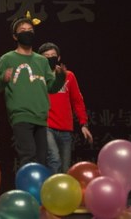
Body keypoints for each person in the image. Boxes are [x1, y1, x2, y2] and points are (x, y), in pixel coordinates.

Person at [0, 13, 65, 166]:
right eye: (23, 30)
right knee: (28, 156)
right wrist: (3, 78)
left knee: (42, 159)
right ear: (15, 36)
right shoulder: (7, 59)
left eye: (30, 30)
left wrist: (60, 77)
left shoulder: (42, 61)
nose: (27, 33)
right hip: (21, 115)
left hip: (41, 117)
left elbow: (51, 88)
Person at [37, 42, 93, 173]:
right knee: (54, 159)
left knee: (65, 168)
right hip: (46, 126)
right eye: (46, 56)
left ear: (59, 57)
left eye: (53, 55)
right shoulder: (38, 77)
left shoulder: (69, 76)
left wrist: (84, 124)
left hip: (65, 128)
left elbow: (77, 101)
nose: (50, 58)